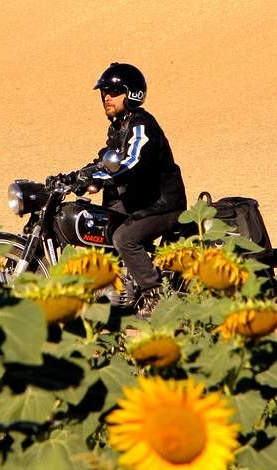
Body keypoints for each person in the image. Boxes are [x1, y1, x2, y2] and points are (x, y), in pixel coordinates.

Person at [76, 62, 187, 310]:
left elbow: (131, 163)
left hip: (164, 204)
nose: (106, 98)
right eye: (104, 93)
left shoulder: (141, 125)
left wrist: (100, 179)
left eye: (113, 92)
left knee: (124, 238)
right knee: (101, 224)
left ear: (132, 94)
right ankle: (113, 294)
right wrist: (78, 176)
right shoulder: (117, 128)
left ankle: (156, 297)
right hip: (140, 203)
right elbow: (106, 160)